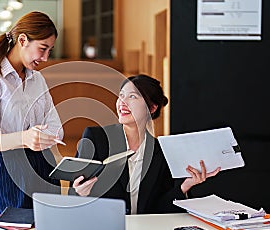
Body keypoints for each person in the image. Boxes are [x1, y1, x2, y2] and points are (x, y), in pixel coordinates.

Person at [71, 74, 220, 214]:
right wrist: (79, 193)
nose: (122, 102)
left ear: (152, 108)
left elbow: (159, 207)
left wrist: (185, 186)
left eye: (132, 97)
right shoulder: (96, 138)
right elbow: (72, 194)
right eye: (121, 96)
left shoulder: (161, 152)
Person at [0, 11, 63, 215]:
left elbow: (57, 128)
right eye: (43, 48)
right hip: (8, 167)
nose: (46, 57)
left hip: (44, 163)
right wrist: (26, 138)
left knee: (50, 229)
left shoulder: (37, 79)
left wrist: (42, 138)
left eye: (50, 50)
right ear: (23, 40)